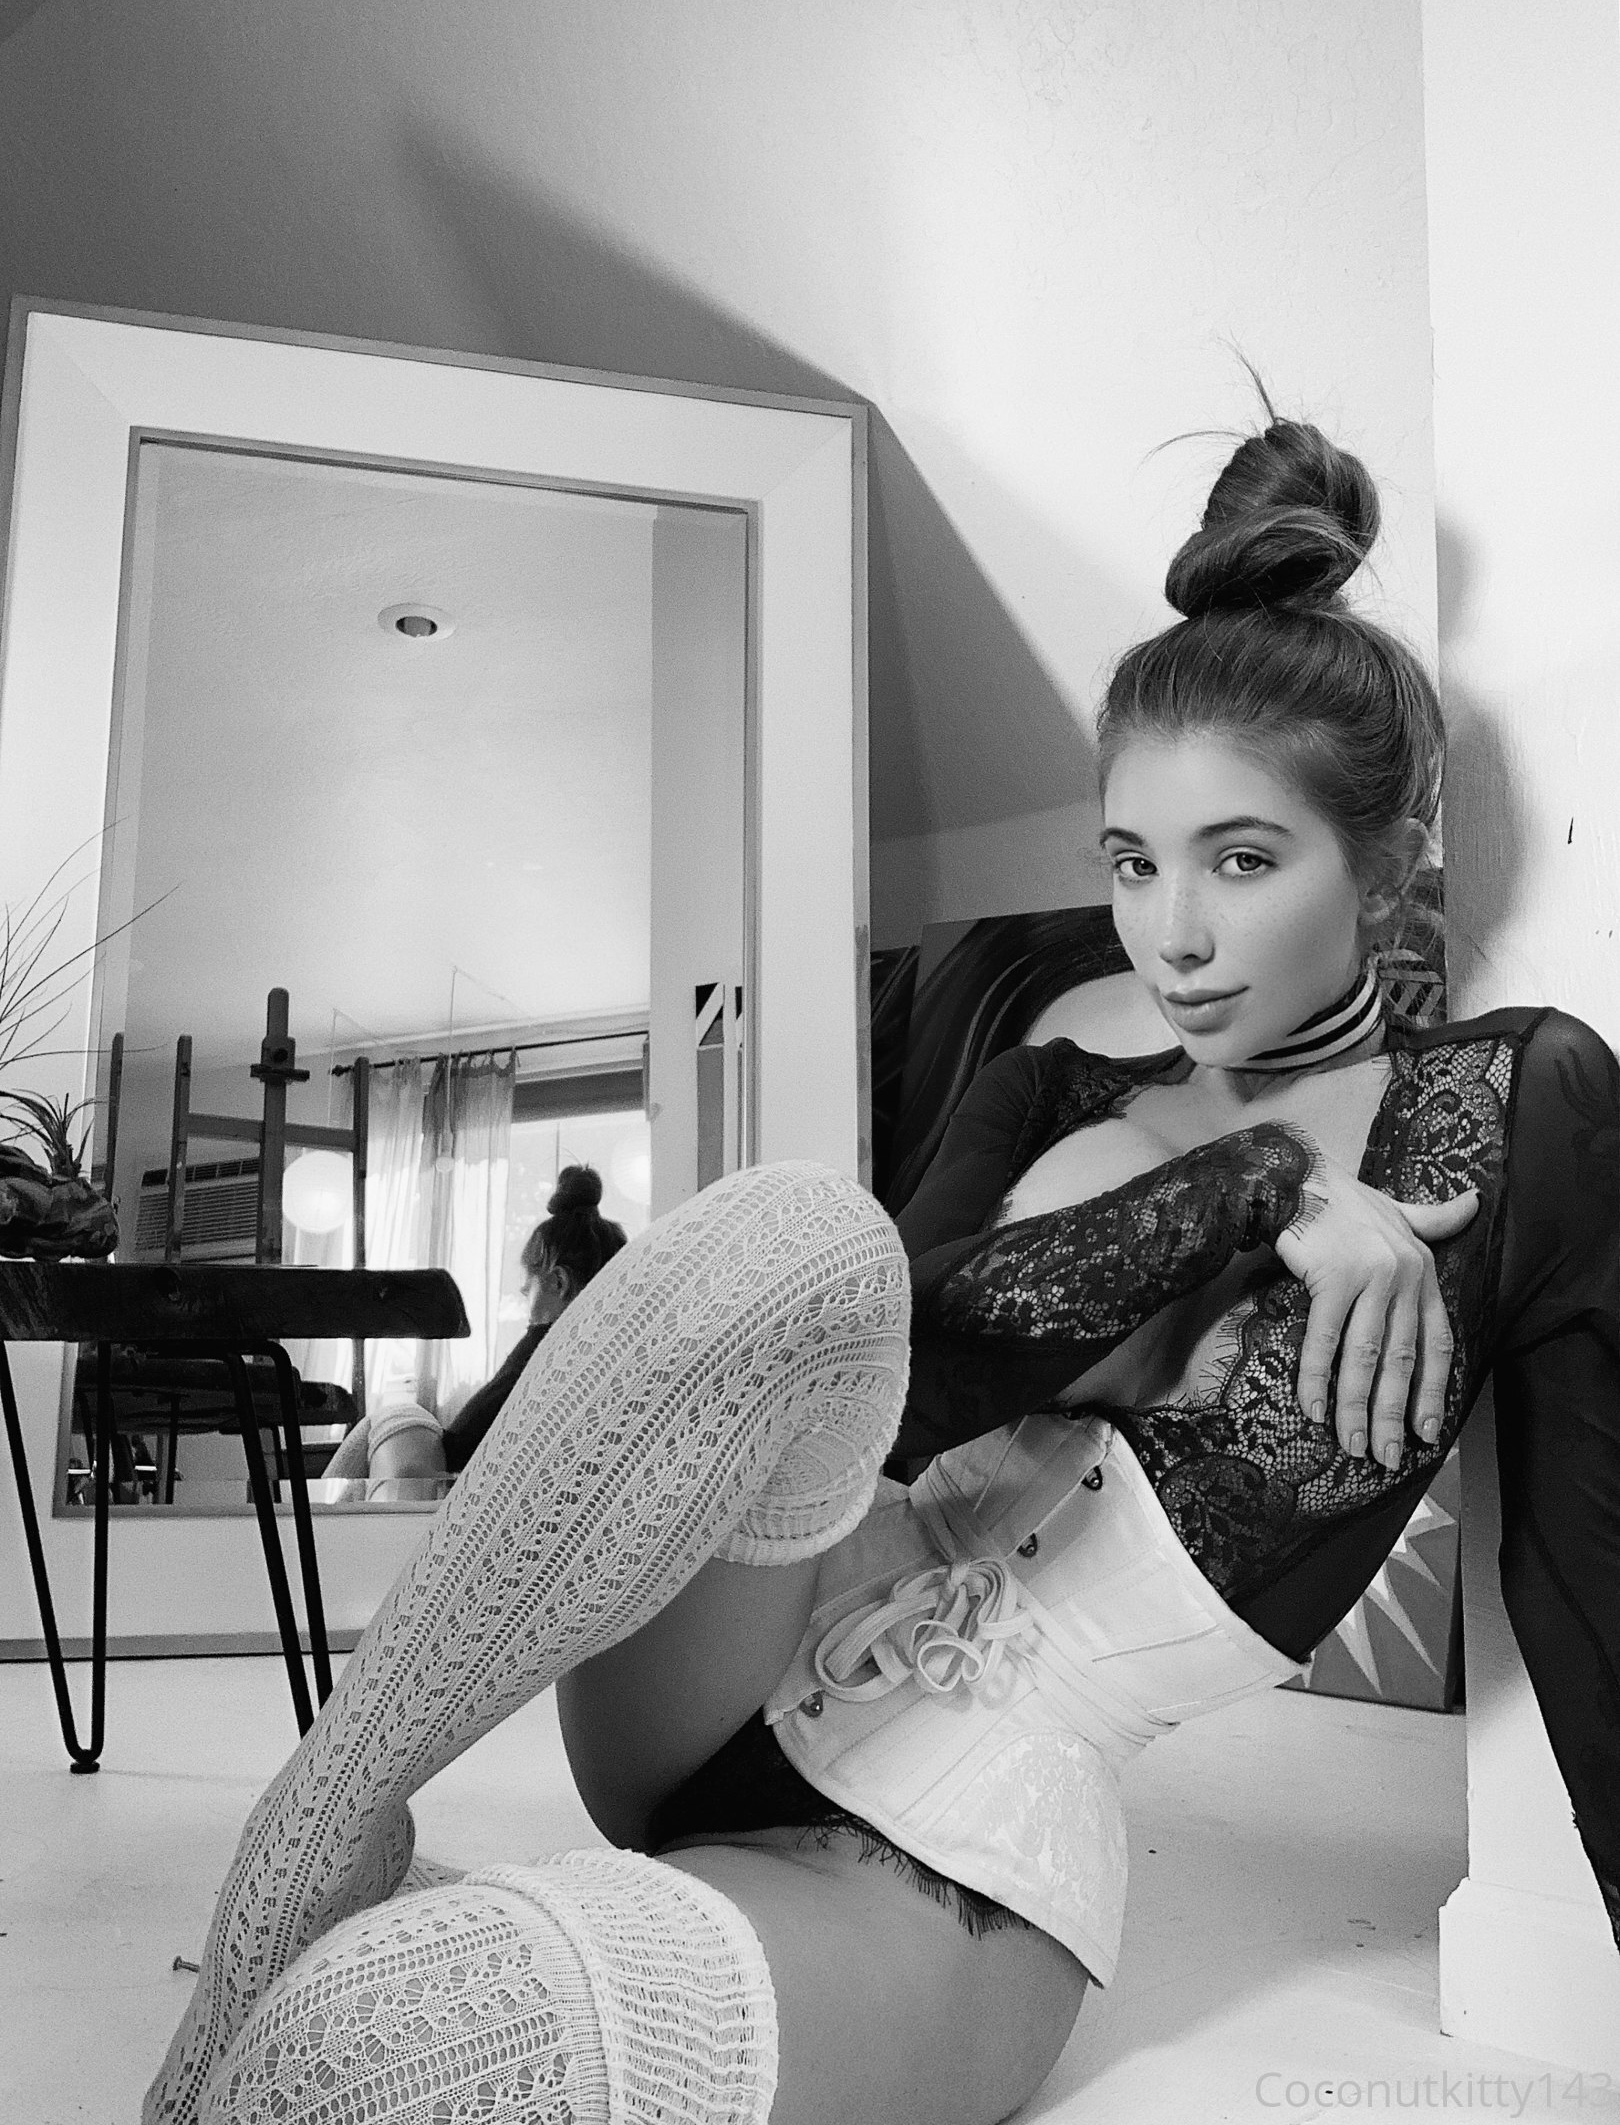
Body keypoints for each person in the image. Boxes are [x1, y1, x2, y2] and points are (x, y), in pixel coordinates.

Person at [144, 406, 1617, 2125]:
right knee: (801, 1235)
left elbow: (1594, 1566)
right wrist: (1253, 1182)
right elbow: (892, 1390)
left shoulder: (1511, 1108)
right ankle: (320, 1828)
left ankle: (405, 1946)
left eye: (1243, 860)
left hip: (952, 1847)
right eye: (1133, 863)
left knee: (362, 2047)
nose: (1175, 937)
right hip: (714, 1680)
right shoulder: (1052, 1088)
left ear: (1390, 859)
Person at [321, 1162, 628, 1486]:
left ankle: (313, 1513)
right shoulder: (612, 1354)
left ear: (558, 1283)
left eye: (530, 1280)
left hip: (447, 1472)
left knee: (387, 1419)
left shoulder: (547, 1343)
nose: (523, 1290)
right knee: (386, 1428)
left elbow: (463, 1441)